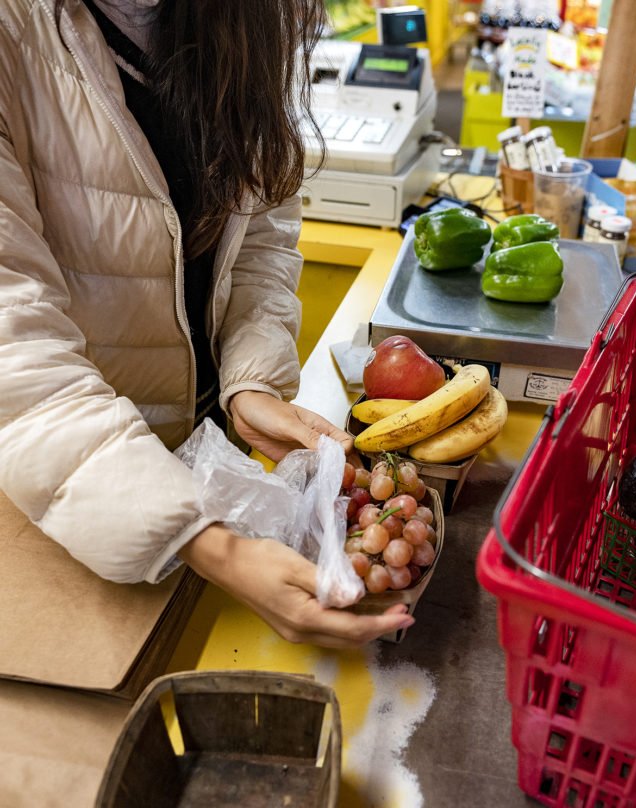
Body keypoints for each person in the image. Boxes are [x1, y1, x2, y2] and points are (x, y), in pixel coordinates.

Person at [0, 0, 412, 646]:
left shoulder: (246, 15)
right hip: (58, 494)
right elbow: (16, 364)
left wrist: (248, 382)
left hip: (208, 469)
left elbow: (262, 223)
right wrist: (202, 541)